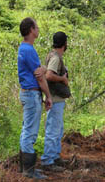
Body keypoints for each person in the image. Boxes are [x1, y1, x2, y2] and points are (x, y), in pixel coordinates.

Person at [18, 17, 52, 179]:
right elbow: (39, 76)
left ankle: (24, 168)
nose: (38, 30)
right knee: (30, 132)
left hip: (28, 93)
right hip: (31, 94)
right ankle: (28, 170)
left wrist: (43, 68)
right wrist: (48, 96)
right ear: (31, 30)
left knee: (27, 129)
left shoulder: (23, 48)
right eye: (37, 27)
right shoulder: (29, 50)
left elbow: (40, 71)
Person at [41, 31, 70, 172]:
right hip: (55, 99)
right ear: (64, 44)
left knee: (58, 129)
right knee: (53, 130)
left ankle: (55, 156)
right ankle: (48, 161)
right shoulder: (56, 58)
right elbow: (49, 75)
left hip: (57, 99)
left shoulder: (53, 56)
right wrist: (63, 79)